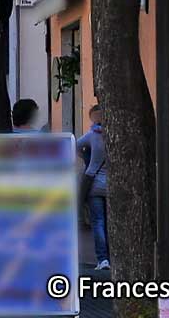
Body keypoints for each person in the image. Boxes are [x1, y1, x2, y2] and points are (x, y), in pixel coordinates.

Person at [76, 104, 110, 271]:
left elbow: (74, 144)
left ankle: (103, 259)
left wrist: (85, 156)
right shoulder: (116, 134)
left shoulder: (92, 135)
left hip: (94, 184)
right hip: (113, 185)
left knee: (98, 222)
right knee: (110, 222)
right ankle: (112, 257)